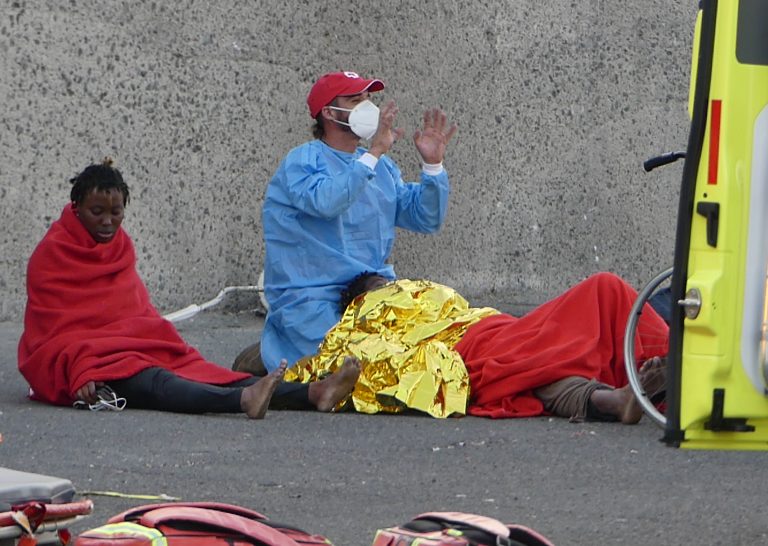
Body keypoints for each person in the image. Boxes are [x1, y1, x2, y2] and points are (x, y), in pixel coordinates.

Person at [17, 159, 360, 418]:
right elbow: (50, 333)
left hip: (135, 345)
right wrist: (80, 369)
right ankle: (244, 402)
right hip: (93, 362)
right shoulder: (52, 253)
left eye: (116, 213)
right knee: (157, 383)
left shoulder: (120, 247)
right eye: (97, 213)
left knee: (211, 373)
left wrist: (152, 342)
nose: (108, 223)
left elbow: (133, 312)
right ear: (76, 209)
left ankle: (314, 393)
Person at [257, 70, 458, 373]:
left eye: (368, 99)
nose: (367, 107)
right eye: (355, 100)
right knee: (349, 367)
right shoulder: (302, 161)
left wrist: (432, 165)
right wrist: (374, 151)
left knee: (430, 348)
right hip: (311, 299)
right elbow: (326, 201)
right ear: (328, 112)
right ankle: (268, 354)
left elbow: (424, 218)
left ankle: (273, 354)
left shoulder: (381, 167)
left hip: (372, 292)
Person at [284, 272, 669, 423]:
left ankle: (646, 380)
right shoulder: (363, 312)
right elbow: (325, 357)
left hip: (493, 332)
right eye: (383, 283)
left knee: (540, 365)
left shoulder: (413, 298)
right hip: (475, 344)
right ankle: (628, 392)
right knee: (603, 292)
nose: (394, 283)